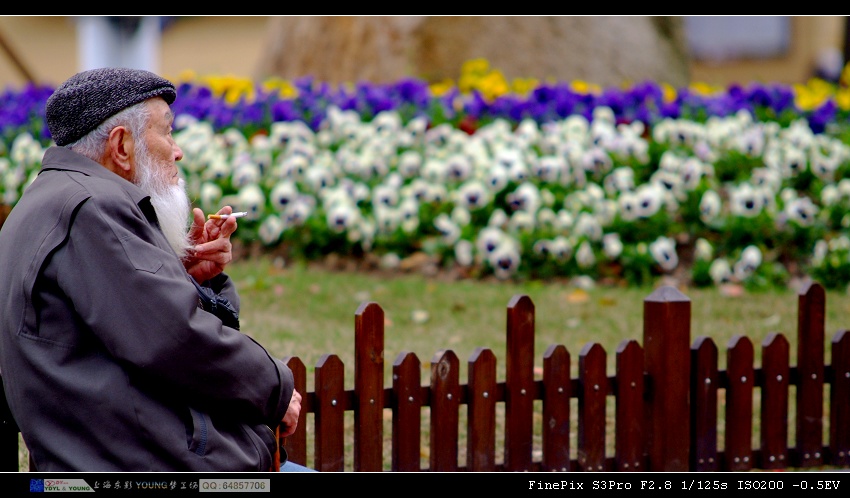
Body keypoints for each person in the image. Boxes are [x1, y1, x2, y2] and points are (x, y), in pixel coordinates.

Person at [0, 67, 313, 472]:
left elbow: (135, 321)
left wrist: (193, 278)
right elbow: (175, 338)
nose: (176, 150)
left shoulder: (48, 200)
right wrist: (276, 389)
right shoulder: (94, 207)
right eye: (166, 132)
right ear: (122, 145)